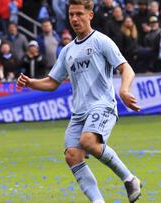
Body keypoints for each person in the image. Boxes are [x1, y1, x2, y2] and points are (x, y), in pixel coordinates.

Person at [17, 1, 142, 203]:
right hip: (79, 112)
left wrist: (124, 89)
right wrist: (30, 82)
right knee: (72, 155)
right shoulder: (67, 51)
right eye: (71, 15)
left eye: (79, 14)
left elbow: (126, 68)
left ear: (90, 15)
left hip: (103, 105)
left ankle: (130, 179)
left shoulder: (101, 41)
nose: (74, 19)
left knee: (88, 142)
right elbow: (51, 82)